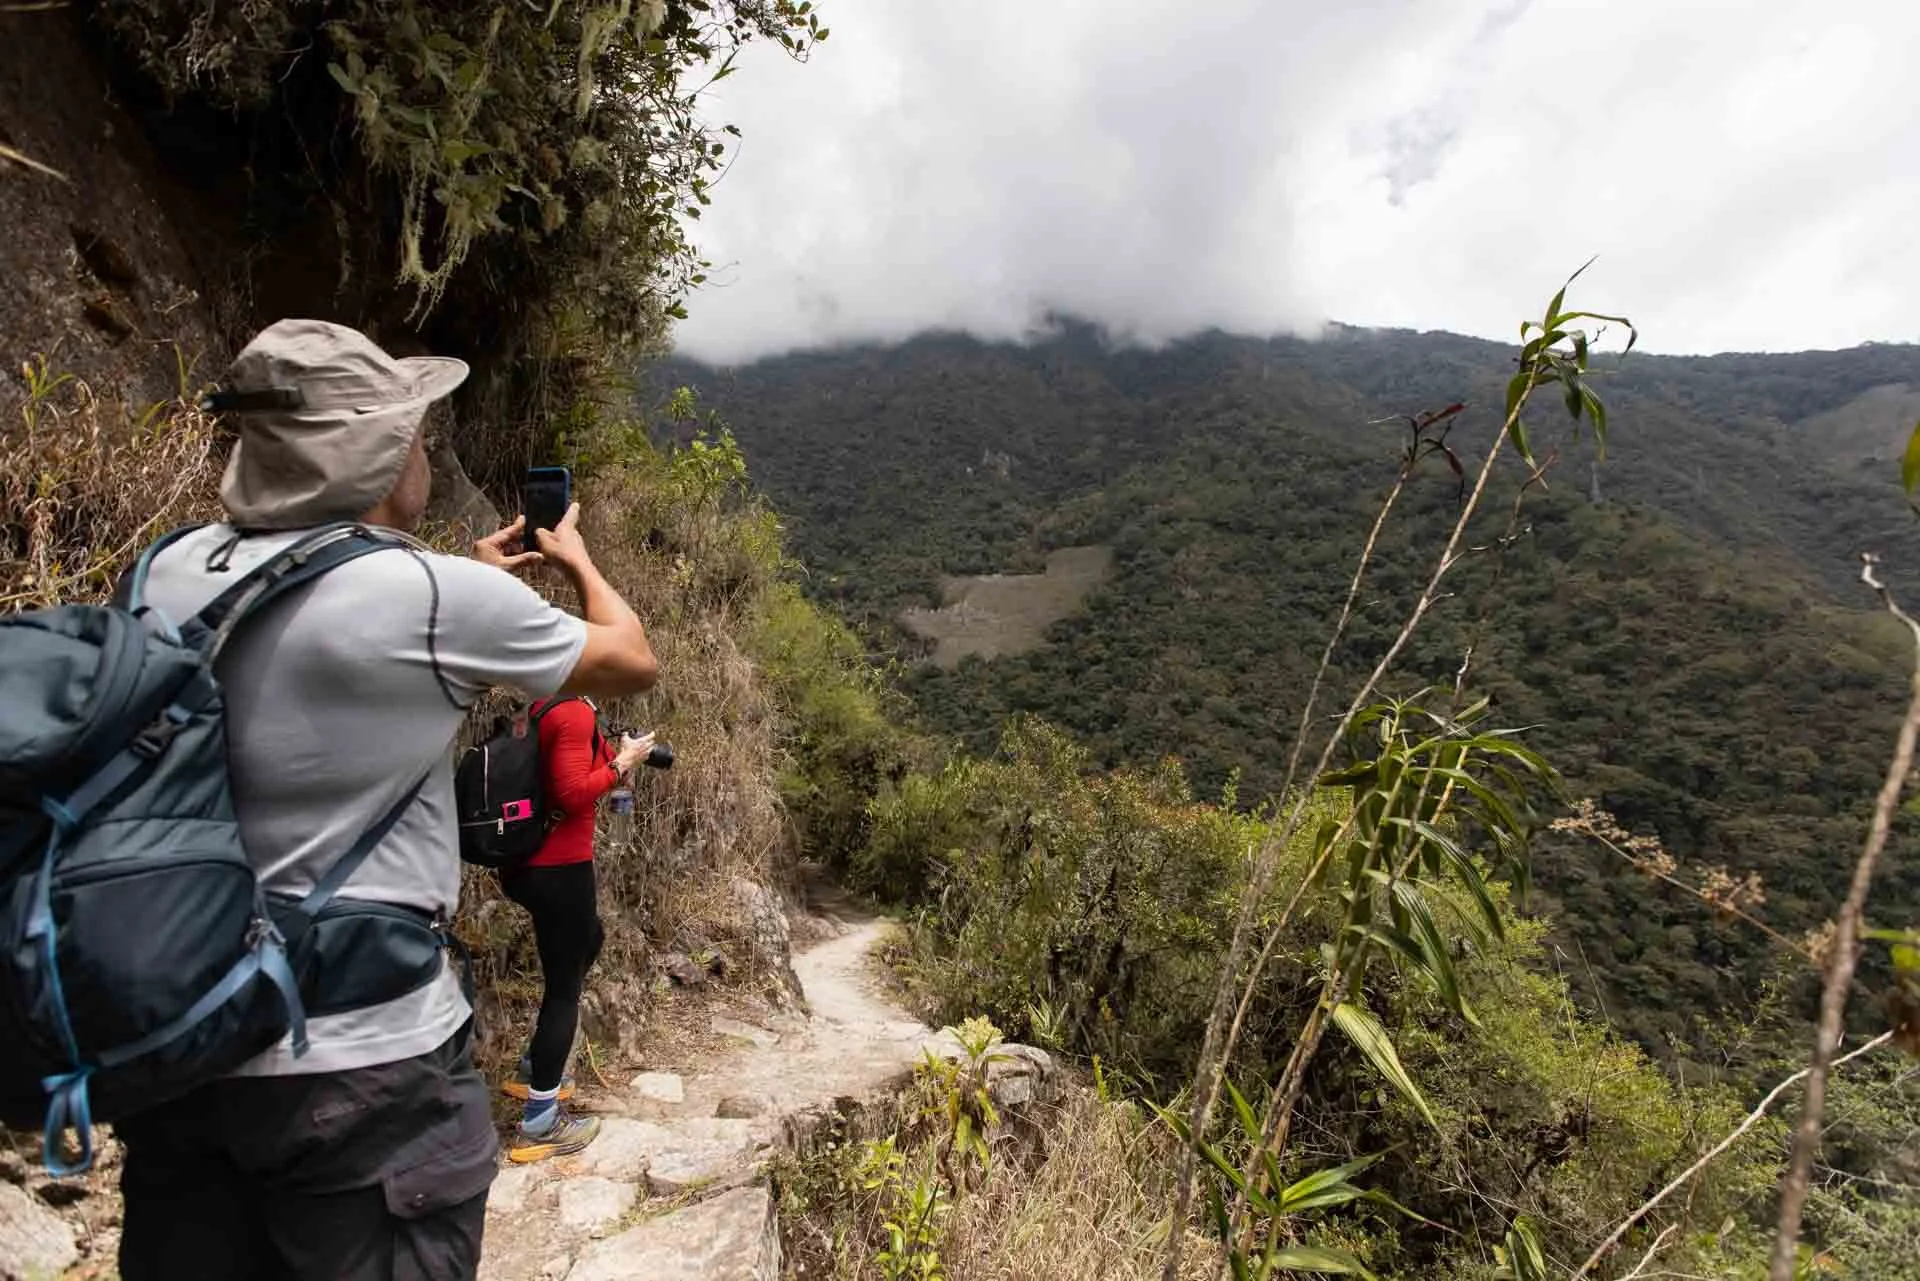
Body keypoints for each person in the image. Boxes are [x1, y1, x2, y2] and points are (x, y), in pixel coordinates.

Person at [113, 318, 657, 1281]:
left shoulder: (164, 570)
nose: (425, 451)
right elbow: (629, 657)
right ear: (369, 453)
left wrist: (463, 586)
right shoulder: (431, 596)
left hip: (181, 1049)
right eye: (413, 432)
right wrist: (573, 560)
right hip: (363, 1063)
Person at [496, 700, 655, 1162]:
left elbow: (573, 773)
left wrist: (620, 757)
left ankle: (532, 1068)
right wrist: (622, 763)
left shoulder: (546, 708)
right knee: (564, 990)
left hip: (527, 864)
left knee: (591, 938)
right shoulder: (574, 714)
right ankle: (540, 1119)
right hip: (559, 868)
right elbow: (570, 793)